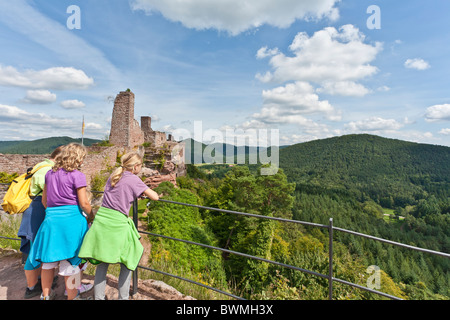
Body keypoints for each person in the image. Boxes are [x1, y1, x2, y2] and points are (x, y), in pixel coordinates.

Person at [78, 152, 159, 300]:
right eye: (140, 166)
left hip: (102, 221)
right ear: (135, 166)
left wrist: (135, 193)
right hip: (116, 223)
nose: (140, 169)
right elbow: (155, 196)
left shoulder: (113, 176)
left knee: (102, 262)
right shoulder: (134, 179)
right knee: (128, 260)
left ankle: (99, 298)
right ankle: (123, 297)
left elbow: (119, 193)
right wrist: (142, 191)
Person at [24, 143, 94, 300]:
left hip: (51, 220)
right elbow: (84, 203)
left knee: (48, 262)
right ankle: (72, 297)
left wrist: (53, 213)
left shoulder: (50, 174)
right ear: (78, 158)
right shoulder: (77, 175)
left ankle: (46, 296)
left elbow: (45, 200)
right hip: (72, 221)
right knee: (72, 262)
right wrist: (92, 217)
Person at [18, 146, 63, 299]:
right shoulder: (47, 170)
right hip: (38, 210)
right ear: (59, 158)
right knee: (33, 251)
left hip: (36, 209)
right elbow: (49, 194)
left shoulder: (40, 166)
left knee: (38, 248)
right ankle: (32, 288)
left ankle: (40, 280)